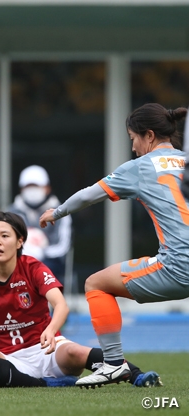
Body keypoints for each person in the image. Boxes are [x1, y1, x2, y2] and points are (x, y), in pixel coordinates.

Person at [40, 103, 188, 388]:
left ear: (148, 135)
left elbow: (88, 196)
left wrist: (56, 212)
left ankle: (113, 364)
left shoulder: (141, 167)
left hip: (178, 267)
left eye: (133, 139)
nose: (132, 147)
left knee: (96, 284)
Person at [0, 211, 160, 389]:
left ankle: (137, 376)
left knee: (74, 350)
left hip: (47, 349)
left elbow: (61, 305)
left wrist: (51, 329)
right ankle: (45, 384)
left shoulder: (33, 268)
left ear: (20, 241)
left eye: (4, 236)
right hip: (6, 357)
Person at [8, 165, 72, 285]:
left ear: (47, 188)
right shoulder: (11, 213)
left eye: (36, 186)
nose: (32, 190)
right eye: (28, 186)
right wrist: (25, 252)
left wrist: (40, 253)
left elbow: (63, 247)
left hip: (51, 263)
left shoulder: (61, 212)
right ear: (21, 189)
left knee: (40, 270)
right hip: (19, 260)